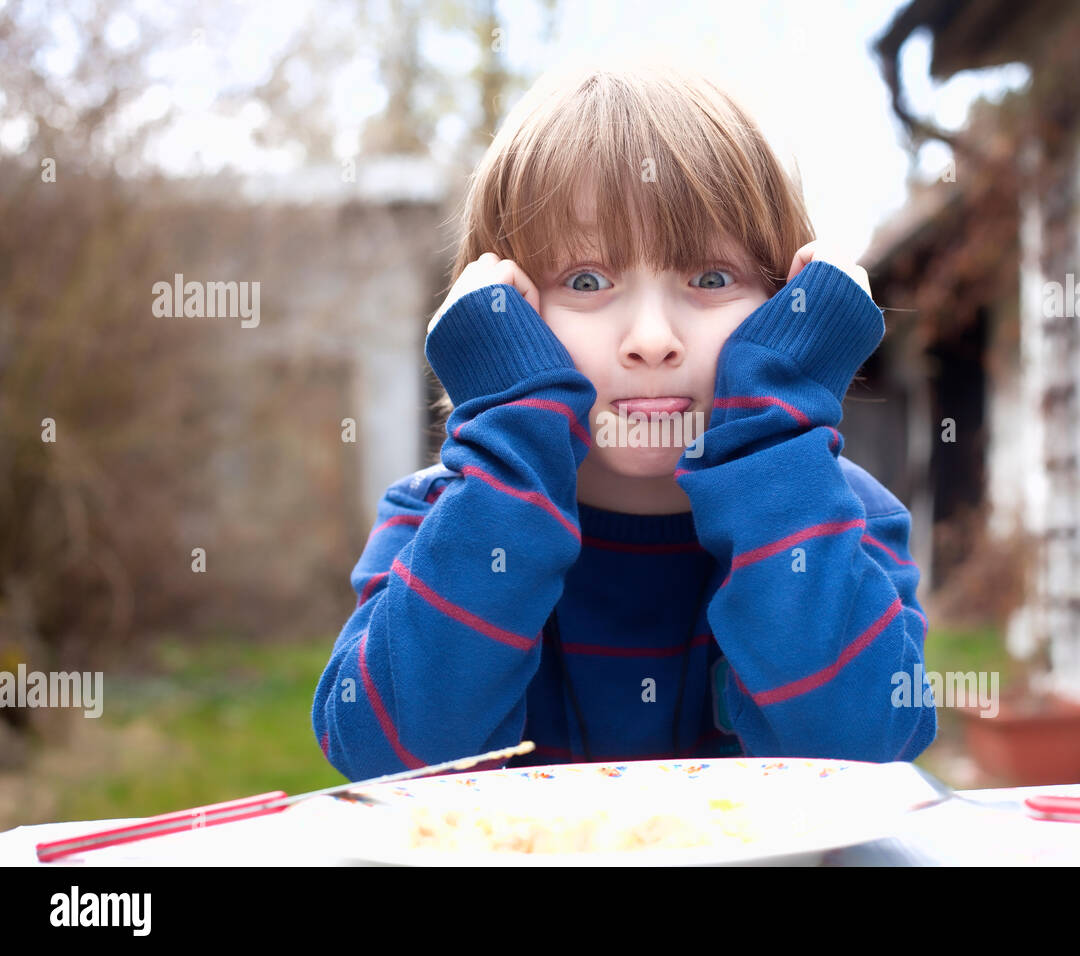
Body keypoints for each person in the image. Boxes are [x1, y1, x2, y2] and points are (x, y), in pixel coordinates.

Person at [311, 61, 936, 780]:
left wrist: (772, 440)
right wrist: (513, 450)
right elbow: (387, 756)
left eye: (709, 279)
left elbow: (861, 752)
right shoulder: (438, 517)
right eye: (585, 281)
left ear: (782, 300)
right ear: (508, 311)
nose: (651, 337)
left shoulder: (839, 514)